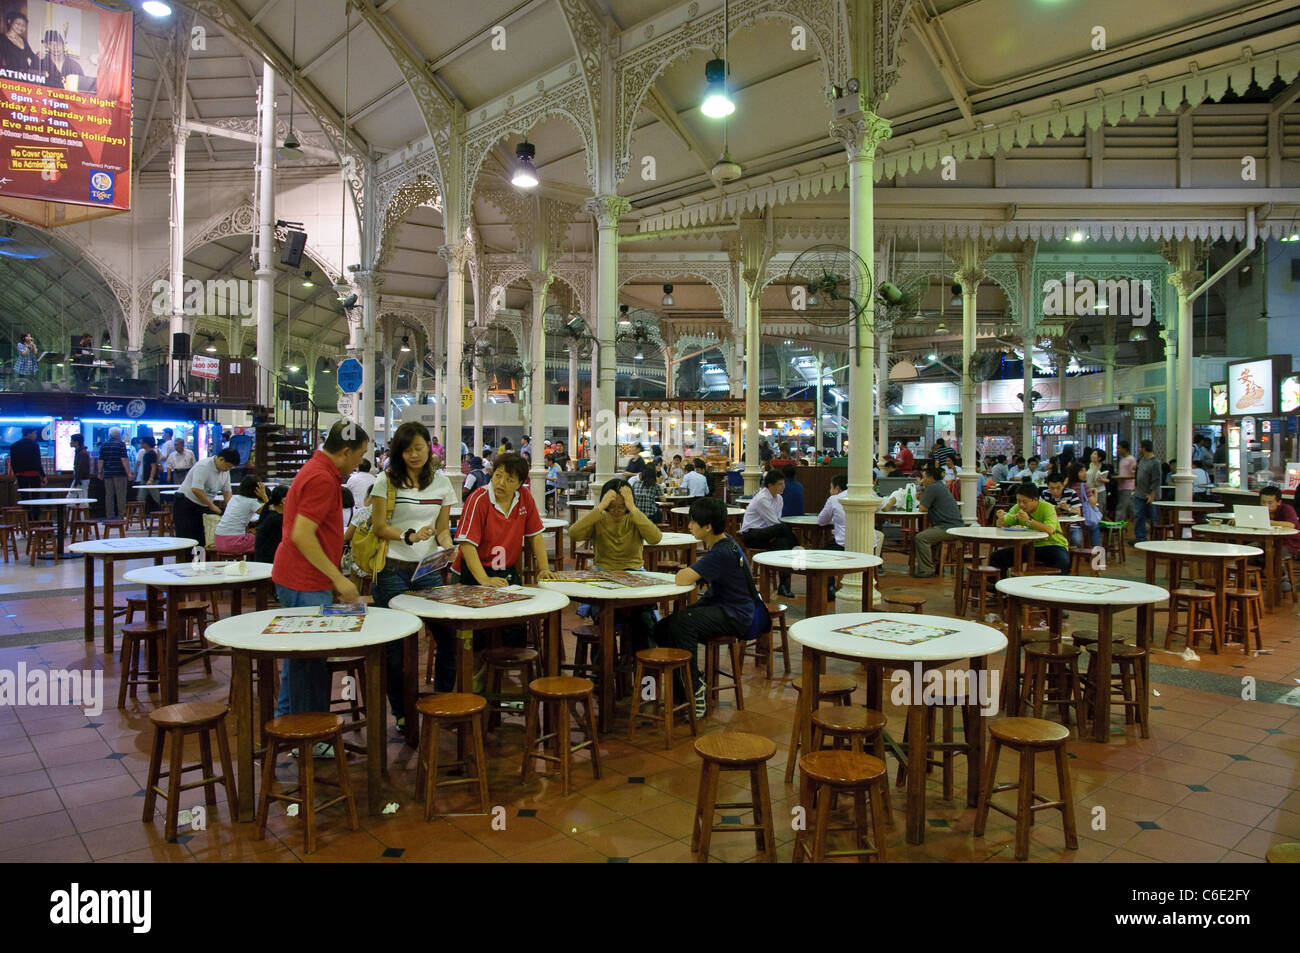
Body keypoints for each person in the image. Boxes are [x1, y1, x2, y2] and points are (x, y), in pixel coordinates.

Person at [271, 422, 369, 718]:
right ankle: (309, 736)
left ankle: (288, 721)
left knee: (298, 659)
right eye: (359, 455)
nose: (358, 464)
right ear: (346, 452)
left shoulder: (316, 469)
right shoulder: (323, 479)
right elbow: (302, 535)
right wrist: (339, 579)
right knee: (310, 662)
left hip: (300, 577)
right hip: (304, 581)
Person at [369, 422, 458, 725]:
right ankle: (402, 711)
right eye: (407, 450)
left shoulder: (442, 484)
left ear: (429, 447)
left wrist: (449, 546)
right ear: (398, 452)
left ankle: (445, 700)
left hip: (428, 571)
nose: (414, 455)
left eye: (419, 448)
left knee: (448, 637)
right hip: (391, 568)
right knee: (396, 646)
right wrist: (408, 536)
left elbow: (443, 529)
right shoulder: (386, 481)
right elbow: (379, 526)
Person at [657, 496, 760, 717]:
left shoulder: (720, 552)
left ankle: (695, 687)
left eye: (694, 522)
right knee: (665, 627)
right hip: (730, 608)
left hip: (736, 615)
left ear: (708, 526)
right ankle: (682, 688)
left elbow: (682, 579)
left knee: (682, 624)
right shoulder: (727, 543)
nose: (690, 526)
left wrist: (686, 572)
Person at [570, 479, 663, 648]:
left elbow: (655, 537)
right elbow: (574, 534)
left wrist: (633, 509)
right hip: (603, 574)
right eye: (611, 507)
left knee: (643, 619)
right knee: (604, 618)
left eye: (622, 507)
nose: (616, 511)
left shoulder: (635, 518)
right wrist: (599, 508)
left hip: (634, 573)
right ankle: (603, 670)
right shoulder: (599, 518)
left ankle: (643, 669)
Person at [739, 469, 798, 597]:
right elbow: (775, 523)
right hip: (751, 534)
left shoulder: (779, 499)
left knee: (782, 542)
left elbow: (776, 522)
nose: (783, 487)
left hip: (768, 533)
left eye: (783, 483)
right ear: (770, 485)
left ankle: (783, 585)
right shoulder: (762, 499)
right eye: (780, 484)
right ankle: (798, 548)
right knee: (782, 529)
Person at [991, 483, 1069, 575]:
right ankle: (998, 587)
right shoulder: (1017, 508)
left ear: (1035, 500)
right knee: (996, 557)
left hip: (1052, 544)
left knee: (1063, 561)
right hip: (1027, 545)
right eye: (1018, 501)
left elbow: (1050, 530)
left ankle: (1054, 588)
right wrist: (1000, 518)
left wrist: (1029, 520)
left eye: (1024, 501)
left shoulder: (1047, 508)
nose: (1021, 505)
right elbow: (1003, 524)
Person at [173, 448, 238, 545]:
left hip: (203, 505)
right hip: (186, 503)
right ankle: (186, 559)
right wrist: (211, 506)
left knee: (203, 538)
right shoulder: (203, 466)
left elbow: (227, 491)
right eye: (228, 466)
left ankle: (201, 559)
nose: (228, 469)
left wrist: (229, 509)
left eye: (230, 468)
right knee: (186, 539)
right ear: (221, 459)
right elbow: (196, 490)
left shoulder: (225, 471)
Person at [911, 466, 964, 578]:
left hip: (948, 528)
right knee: (926, 535)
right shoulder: (940, 486)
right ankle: (933, 564)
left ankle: (927, 570)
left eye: (924, 478)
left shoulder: (933, 488)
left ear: (931, 478)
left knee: (921, 538)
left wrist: (921, 500)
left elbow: (923, 508)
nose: (922, 481)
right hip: (955, 525)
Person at [214, 476, 268, 554]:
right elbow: (269, 512)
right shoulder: (251, 502)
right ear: (257, 490)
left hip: (219, 540)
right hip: (233, 542)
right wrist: (264, 495)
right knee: (265, 540)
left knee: (252, 535)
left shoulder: (234, 498)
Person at [1260, 486, 1300, 591]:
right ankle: (1259, 578)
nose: (1266, 506)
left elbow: (1291, 525)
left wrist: (1270, 522)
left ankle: (1284, 579)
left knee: (1277, 552)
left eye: (1270, 502)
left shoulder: (1287, 509)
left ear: (1279, 502)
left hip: (1289, 542)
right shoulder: (1259, 512)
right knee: (1250, 551)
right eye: (1263, 502)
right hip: (1265, 541)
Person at [1131, 439, 1161, 545]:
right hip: (1139, 493)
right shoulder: (1141, 460)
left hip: (1150, 495)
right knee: (1139, 515)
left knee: (1153, 517)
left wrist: (1152, 494)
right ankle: (1140, 537)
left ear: (1144, 448)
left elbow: (1156, 480)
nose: (1139, 449)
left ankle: (1156, 539)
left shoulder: (1155, 462)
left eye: (1140, 447)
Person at [97, 427, 130, 519]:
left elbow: (100, 460)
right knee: (121, 495)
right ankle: (121, 515)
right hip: (119, 473)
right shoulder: (121, 444)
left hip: (107, 473)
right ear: (119, 435)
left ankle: (110, 515)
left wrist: (99, 472)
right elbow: (124, 459)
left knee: (109, 495)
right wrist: (129, 473)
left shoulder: (104, 445)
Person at [254, 485, 288, 564]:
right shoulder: (277, 519)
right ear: (284, 501)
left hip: (262, 557)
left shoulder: (269, 511)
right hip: (269, 560)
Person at [0, 12, 39, 76]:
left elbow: (31, 56)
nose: (21, 27)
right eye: (18, 24)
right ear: (10, 22)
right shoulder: (2, 39)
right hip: (9, 75)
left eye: (24, 25)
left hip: (24, 75)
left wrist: (38, 56)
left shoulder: (23, 40)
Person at [7, 425, 44, 490]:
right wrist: (43, 476)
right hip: (34, 476)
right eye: (34, 433)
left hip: (21, 477)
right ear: (29, 434)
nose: (36, 435)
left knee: (24, 496)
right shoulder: (34, 445)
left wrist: (16, 475)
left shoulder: (14, 446)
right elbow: (37, 462)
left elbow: (13, 462)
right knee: (35, 497)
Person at [816, 473, 848, 550]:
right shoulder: (859, 495)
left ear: (837, 488)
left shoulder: (834, 499)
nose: (830, 491)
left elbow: (821, 521)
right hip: (870, 544)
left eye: (831, 488)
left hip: (843, 544)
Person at [135, 436, 161, 512]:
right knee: (141, 497)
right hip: (145, 478)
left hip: (151, 479)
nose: (140, 444)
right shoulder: (147, 453)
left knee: (156, 497)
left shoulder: (151, 453)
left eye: (142, 443)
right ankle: (138, 513)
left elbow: (153, 467)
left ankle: (165, 510)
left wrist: (151, 478)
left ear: (146, 444)